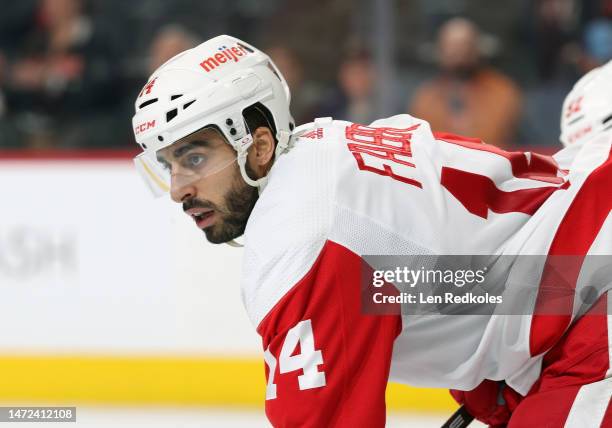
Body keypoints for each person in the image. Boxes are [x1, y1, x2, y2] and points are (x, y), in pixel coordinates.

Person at [131, 35, 611, 427]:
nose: (178, 189)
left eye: (195, 158)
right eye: (168, 164)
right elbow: (444, 270)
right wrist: (491, 373)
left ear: (257, 147)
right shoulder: (329, 148)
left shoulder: (303, 235)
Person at [410, 18, 522, 148]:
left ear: (477, 49)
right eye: (451, 46)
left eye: (465, 45)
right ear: (440, 52)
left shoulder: (502, 92)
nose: (459, 53)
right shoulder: (425, 97)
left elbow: (496, 136)